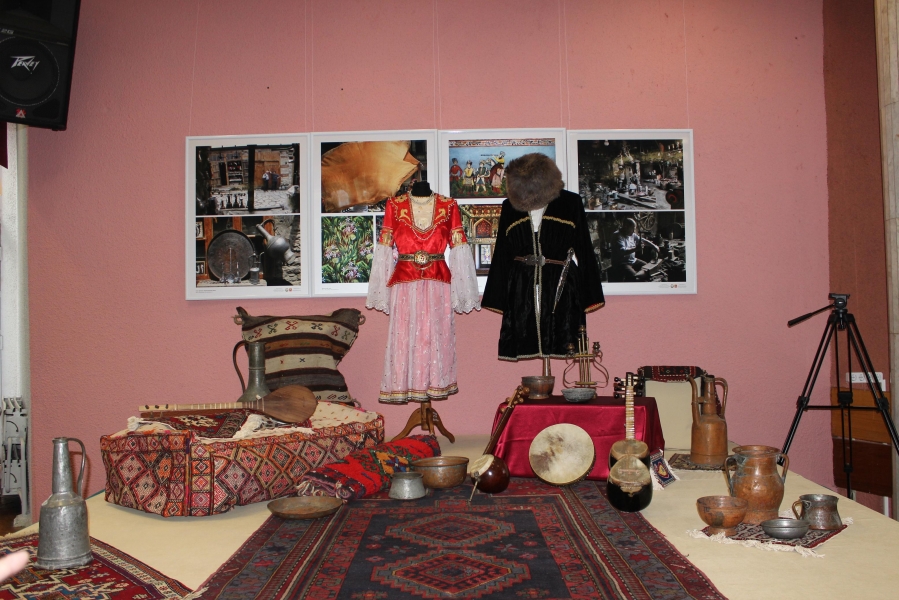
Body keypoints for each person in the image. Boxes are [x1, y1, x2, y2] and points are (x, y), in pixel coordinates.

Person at [482, 153, 604, 361]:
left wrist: (590, 294)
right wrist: (498, 296)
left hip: (560, 284)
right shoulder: (509, 207)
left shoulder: (570, 202)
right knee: (525, 332)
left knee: (561, 332)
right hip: (522, 285)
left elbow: (584, 247)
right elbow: (502, 252)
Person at [366, 181, 480, 403]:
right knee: (404, 337)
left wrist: (463, 292)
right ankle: (405, 386)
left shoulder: (449, 206)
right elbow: (385, 247)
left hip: (438, 285)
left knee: (436, 337)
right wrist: (381, 290)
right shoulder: (394, 205)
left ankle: (435, 384)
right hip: (404, 285)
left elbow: (459, 247)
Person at [610, 217, 659, 281]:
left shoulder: (631, 234)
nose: (634, 231)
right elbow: (623, 251)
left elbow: (642, 240)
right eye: (633, 228)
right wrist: (636, 248)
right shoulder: (617, 236)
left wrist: (654, 246)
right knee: (635, 277)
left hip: (633, 260)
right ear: (626, 227)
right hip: (622, 263)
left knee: (648, 268)